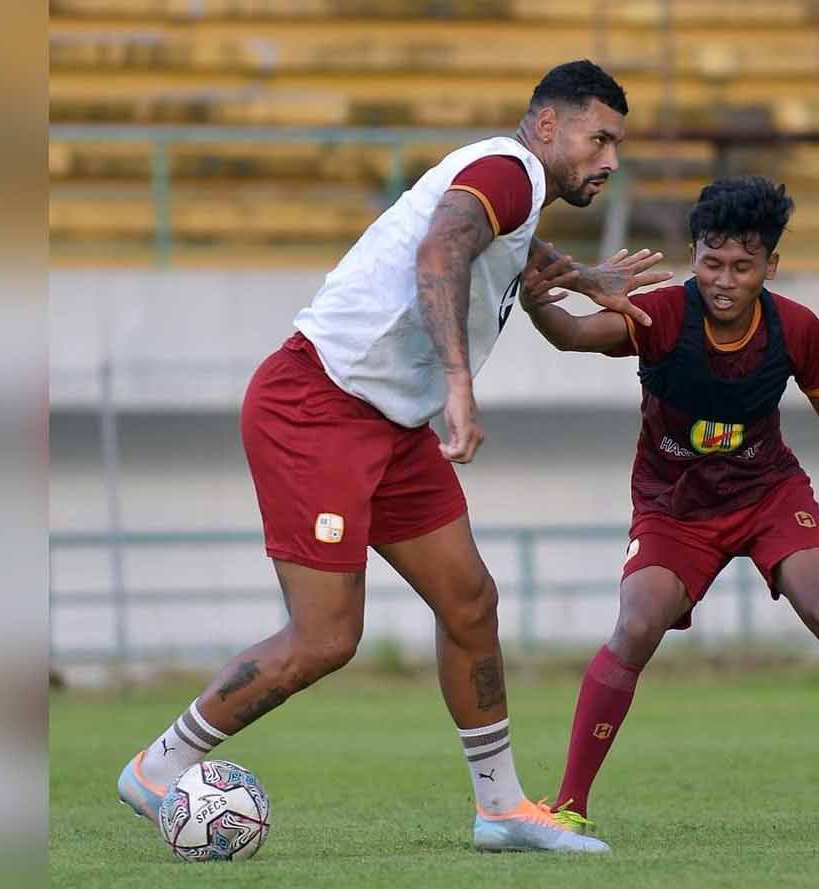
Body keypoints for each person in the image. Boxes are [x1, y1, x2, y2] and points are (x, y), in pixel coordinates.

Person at [116, 59, 670, 855]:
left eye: (617, 143)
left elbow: (513, 256)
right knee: (325, 637)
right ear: (548, 125)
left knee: (470, 600)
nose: (611, 158)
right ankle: (158, 766)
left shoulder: (515, 196)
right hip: (319, 404)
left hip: (389, 422)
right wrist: (458, 382)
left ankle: (501, 809)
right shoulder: (505, 171)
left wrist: (586, 276)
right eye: (600, 136)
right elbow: (441, 252)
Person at [519, 175, 819, 839]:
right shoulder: (659, 316)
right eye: (711, 262)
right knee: (634, 627)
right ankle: (569, 804)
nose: (724, 279)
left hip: (768, 493)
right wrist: (539, 303)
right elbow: (570, 334)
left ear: (770, 266)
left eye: (743, 267)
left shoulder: (796, 329)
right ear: (693, 255)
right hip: (674, 507)